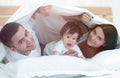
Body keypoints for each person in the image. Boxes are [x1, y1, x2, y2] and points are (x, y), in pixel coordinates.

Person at [33, 5, 118, 58]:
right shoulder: (85, 31)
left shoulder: (100, 55)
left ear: (105, 43)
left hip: (55, 52)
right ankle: (41, 12)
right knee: (57, 22)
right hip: (51, 44)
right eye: (94, 32)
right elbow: (65, 18)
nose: (92, 37)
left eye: (99, 38)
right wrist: (80, 18)